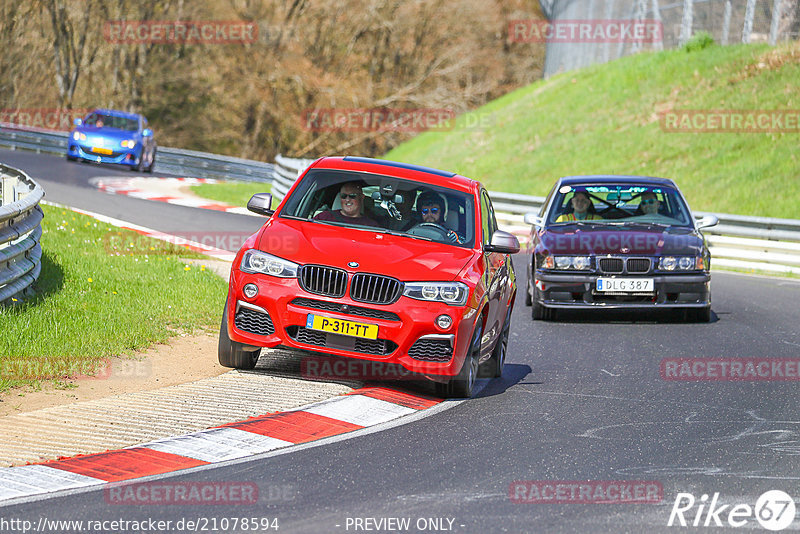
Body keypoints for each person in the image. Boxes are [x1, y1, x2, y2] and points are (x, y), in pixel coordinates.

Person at [314, 182, 378, 226]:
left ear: (361, 197)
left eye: (352, 196)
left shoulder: (371, 225)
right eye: (343, 196)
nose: (347, 200)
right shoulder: (323, 217)